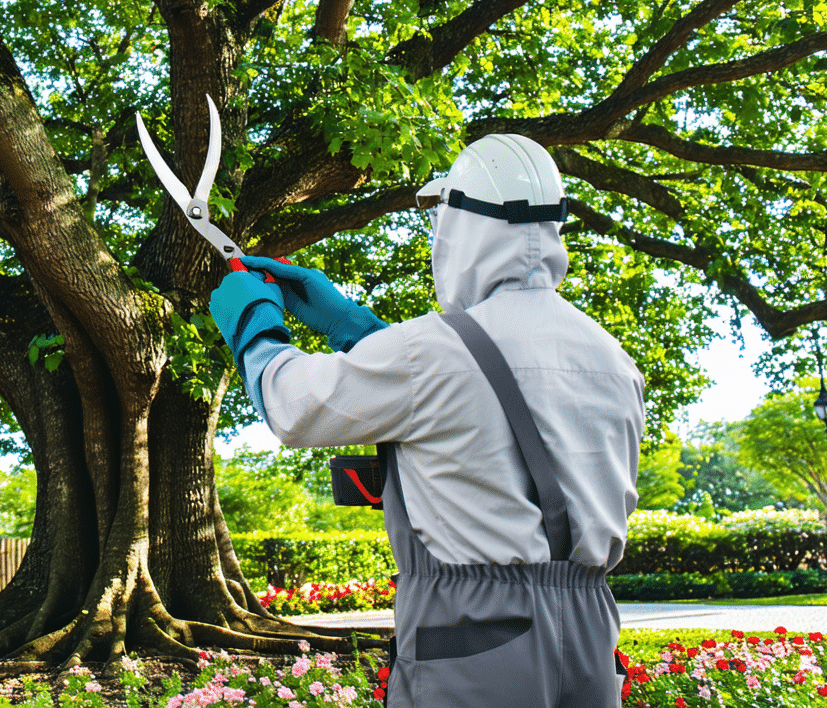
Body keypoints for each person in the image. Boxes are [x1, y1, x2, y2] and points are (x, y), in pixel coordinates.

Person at [209, 134, 644, 707]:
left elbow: (294, 407)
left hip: (477, 633)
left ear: (462, 228)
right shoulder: (610, 357)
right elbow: (468, 397)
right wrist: (352, 325)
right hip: (588, 634)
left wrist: (254, 322)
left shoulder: (430, 351)